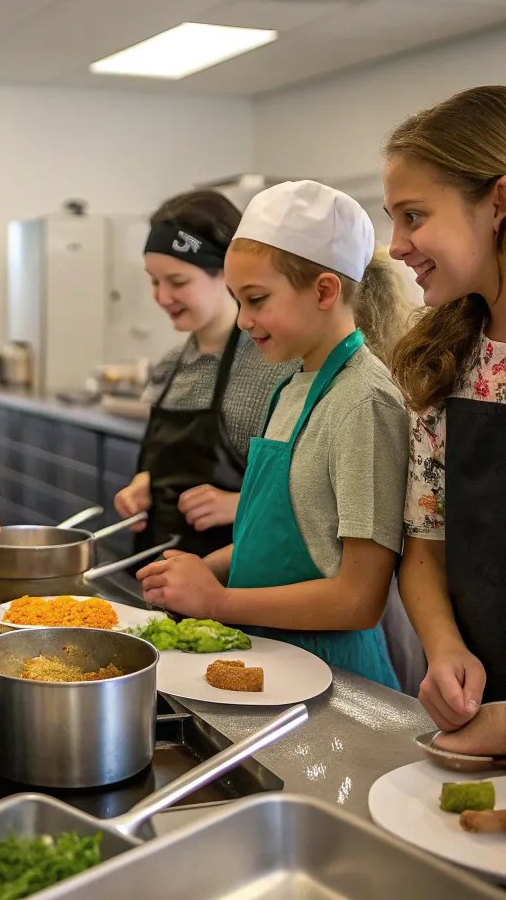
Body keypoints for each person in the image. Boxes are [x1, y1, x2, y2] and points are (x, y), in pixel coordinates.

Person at [137, 181, 412, 688]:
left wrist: (217, 600)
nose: (243, 321)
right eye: (238, 300)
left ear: (325, 291)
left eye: (257, 299)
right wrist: (205, 568)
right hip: (272, 661)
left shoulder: (364, 402)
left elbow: (358, 599)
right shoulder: (292, 387)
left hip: (334, 678)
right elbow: (282, 539)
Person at [385, 85, 506, 750]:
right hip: (475, 708)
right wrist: (444, 647)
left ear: (499, 202)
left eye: (413, 216)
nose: (396, 245)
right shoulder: (447, 359)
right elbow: (425, 542)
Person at [114, 191, 297, 560]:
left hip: (237, 576)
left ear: (227, 274)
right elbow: (167, 463)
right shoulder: (171, 364)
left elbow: (314, 489)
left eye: (177, 282)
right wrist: (145, 485)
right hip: (159, 567)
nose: (162, 297)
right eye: (154, 281)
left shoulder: (277, 365)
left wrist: (237, 504)